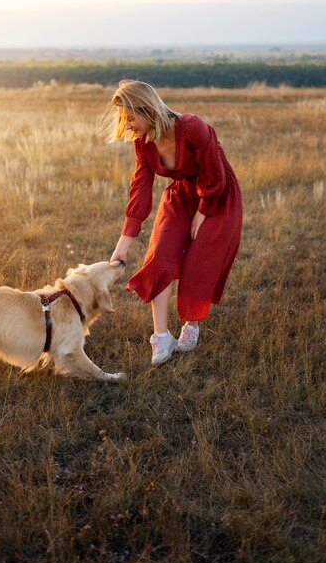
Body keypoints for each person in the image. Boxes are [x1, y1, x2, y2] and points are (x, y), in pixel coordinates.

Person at [104, 80, 242, 365]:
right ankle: (162, 337)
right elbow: (140, 189)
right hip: (180, 195)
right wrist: (124, 244)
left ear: (149, 110)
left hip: (216, 195)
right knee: (160, 257)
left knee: (198, 262)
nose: (127, 125)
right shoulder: (142, 144)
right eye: (123, 118)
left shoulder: (192, 127)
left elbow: (215, 173)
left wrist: (203, 211)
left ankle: (191, 325)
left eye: (130, 117)